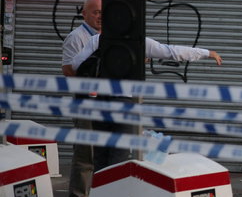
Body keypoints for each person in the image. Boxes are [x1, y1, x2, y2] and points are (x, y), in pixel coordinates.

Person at [71, 34, 223, 171]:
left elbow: (76, 64)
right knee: (119, 158)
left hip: (99, 102)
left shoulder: (97, 39)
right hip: (124, 103)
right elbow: (172, 52)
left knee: (100, 157)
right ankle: (114, 196)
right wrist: (207, 53)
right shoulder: (138, 41)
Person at [61, 0, 101, 197]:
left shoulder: (112, 36)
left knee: (109, 155)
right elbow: (68, 70)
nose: (100, 17)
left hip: (110, 103)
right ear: (84, 14)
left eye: (103, 12)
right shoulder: (76, 38)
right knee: (86, 155)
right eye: (95, 12)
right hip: (86, 103)